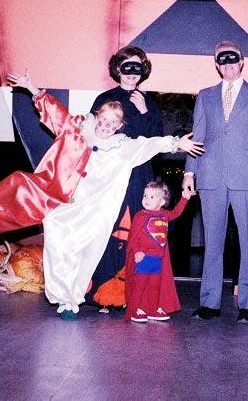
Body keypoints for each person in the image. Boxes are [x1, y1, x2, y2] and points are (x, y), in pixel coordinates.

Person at [0, 70, 203, 320]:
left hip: (98, 215)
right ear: (96, 117)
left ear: (119, 126)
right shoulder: (78, 132)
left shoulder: (123, 147)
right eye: (103, 119)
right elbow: (56, 114)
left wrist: (176, 142)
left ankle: (70, 301)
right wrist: (32, 88)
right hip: (68, 203)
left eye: (113, 123)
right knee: (25, 187)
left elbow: (151, 143)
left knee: (86, 257)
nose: (106, 126)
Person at [182, 41, 248, 324]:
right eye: (222, 60)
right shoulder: (205, 96)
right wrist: (189, 173)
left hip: (247, 179)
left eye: (232, 59)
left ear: (242, 61)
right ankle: (209, 302)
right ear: (216, 64)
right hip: (210, 177)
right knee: (212, 242)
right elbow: (196, 138)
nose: (228, 64)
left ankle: (247, 305)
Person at [88, 46, 163, 306]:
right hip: (109, 175)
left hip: (138, 176)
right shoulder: (104, 99)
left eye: (137, 67)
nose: (132, 73)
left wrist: (144, 112)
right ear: (118, 69)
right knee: (106, 227)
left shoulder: (149, 102)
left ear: (143, 72)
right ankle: (100, 293)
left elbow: (156, 141)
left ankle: (134, 296)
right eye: (127, 67)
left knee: (136, 231)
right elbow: (93, 137)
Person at [124, 180, 193, 323]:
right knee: (140, 286)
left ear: (162, 201)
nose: (146, 200)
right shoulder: (140, 216)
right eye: (145, 195)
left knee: (155, 287)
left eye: (152, 197)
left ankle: (153, 309)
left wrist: (185, 198)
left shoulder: (164, 215)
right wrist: (137, 252)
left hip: (157, 259)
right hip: (144, 258)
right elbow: (134, 238)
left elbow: (176, 212)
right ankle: (135, 309)